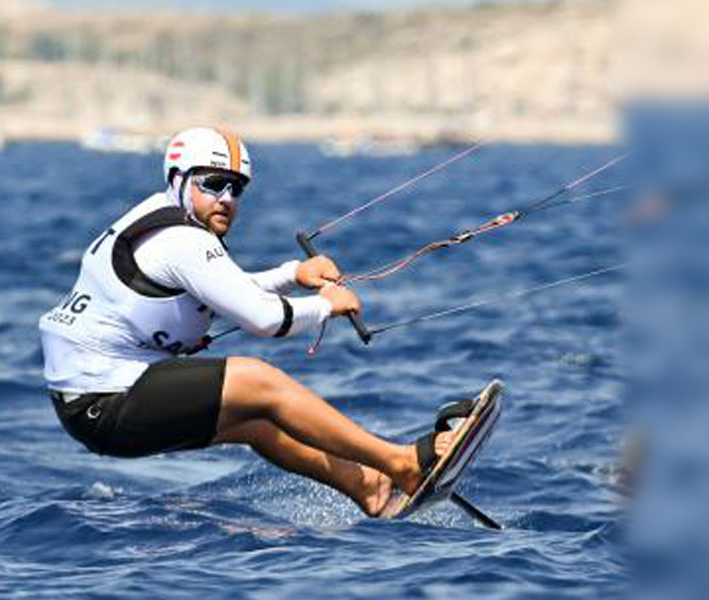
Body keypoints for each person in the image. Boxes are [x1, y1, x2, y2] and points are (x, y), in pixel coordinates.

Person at [39, 127, 453, 517]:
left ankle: (371, 490)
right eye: (213, 184)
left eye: (236, 188)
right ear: (179, 180)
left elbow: (222, 289)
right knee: (257, 380)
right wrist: (326, 304)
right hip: (102, 402)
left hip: (94, 401)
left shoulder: (164, 217)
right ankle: (400, 464)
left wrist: (293, 275)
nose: (226, 198)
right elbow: (265, 319)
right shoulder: (181, 240)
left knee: (257, 423)